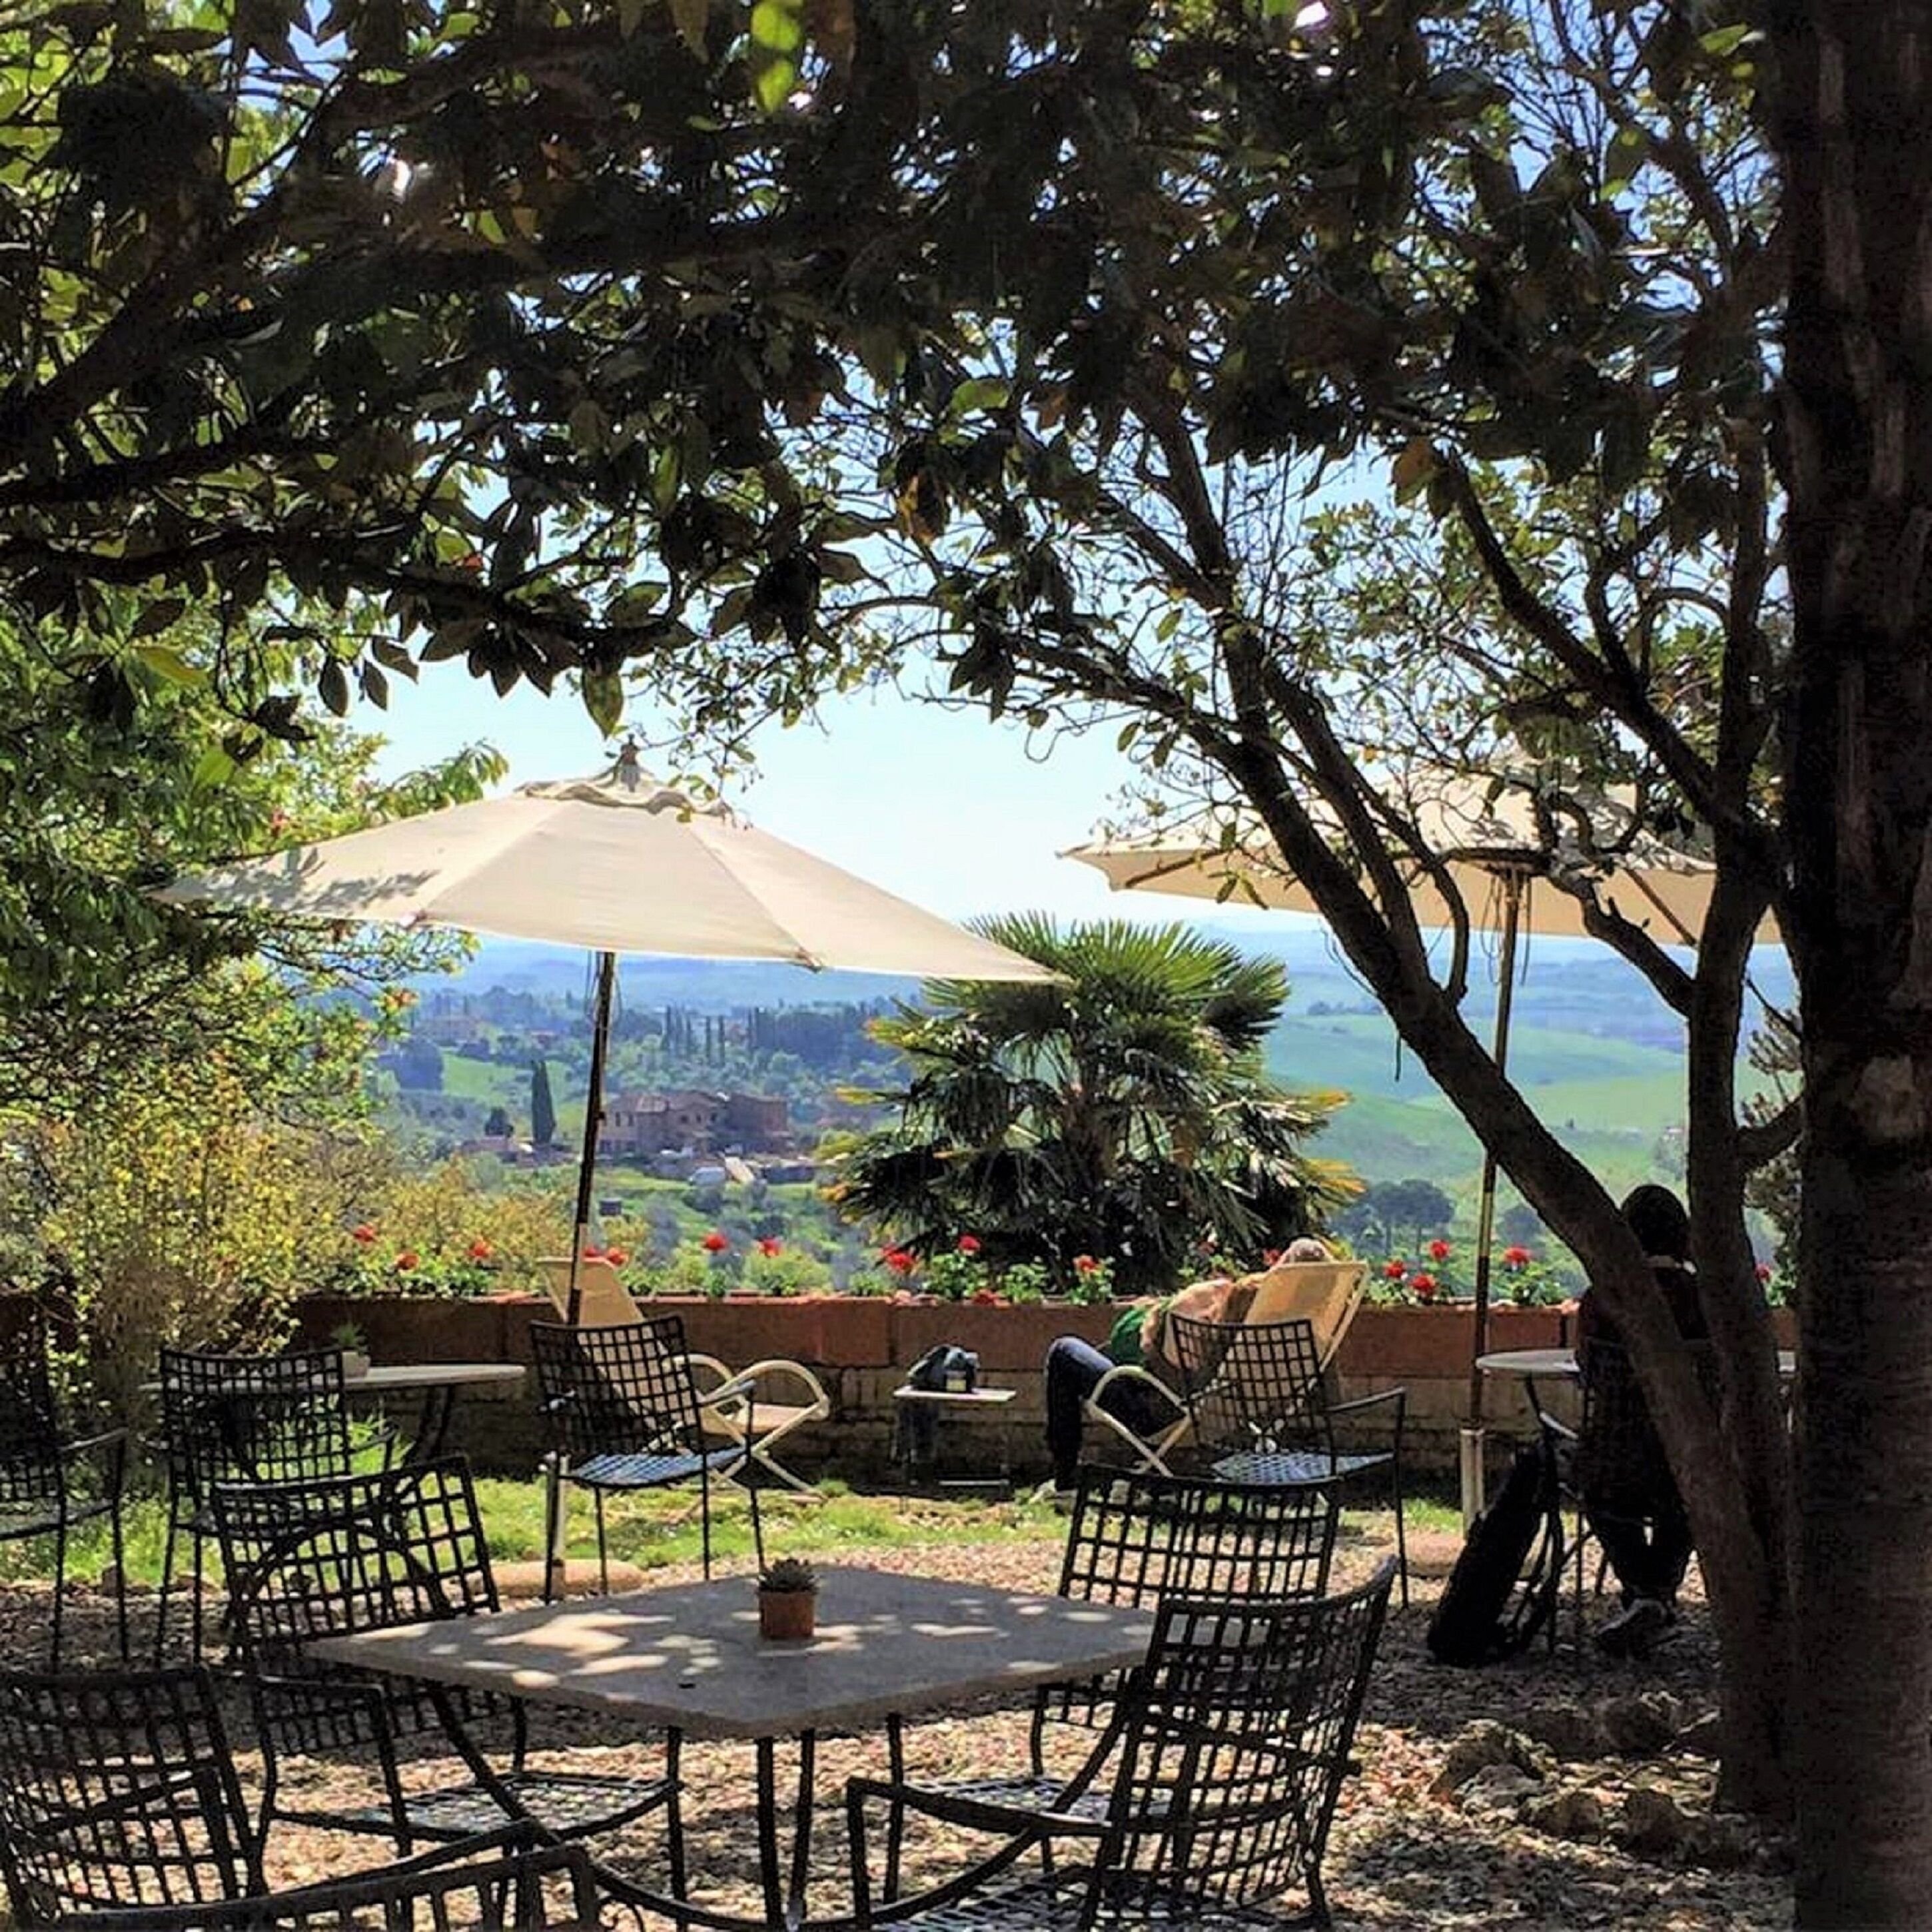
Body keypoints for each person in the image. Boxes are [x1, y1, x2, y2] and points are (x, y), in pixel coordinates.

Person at [1041, 1237, 1334, 1494]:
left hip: (1161, 1417)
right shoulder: (1307, 1331)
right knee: (1098, 1357)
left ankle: (1065, 1481)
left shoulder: (1238, 1306)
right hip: (1233, 1419)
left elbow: (1177, 1369)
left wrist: (1163, 1320)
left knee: (1064, 1351)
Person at [1576, 1185, 1708, 1658]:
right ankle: (1656, 1596)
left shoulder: (1602, 1300)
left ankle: (1645, 1594)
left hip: (1616, 1459)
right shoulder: (1706, 1300)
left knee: (1596, 1496)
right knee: (1691, 1506)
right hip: (1687, 1458)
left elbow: (1590, 1376)